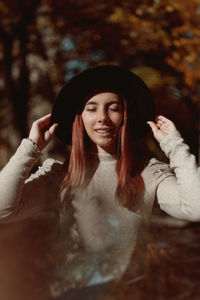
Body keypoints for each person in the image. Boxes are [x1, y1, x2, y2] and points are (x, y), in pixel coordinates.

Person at [0, 65, 200, 300]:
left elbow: (195, 207)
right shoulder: (59, 175)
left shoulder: (149, 172)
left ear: (125, 115)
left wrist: (174, 145)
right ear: (79, 118)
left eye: (113, 108)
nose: (103, 118)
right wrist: (30, 148)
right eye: (91, 109)